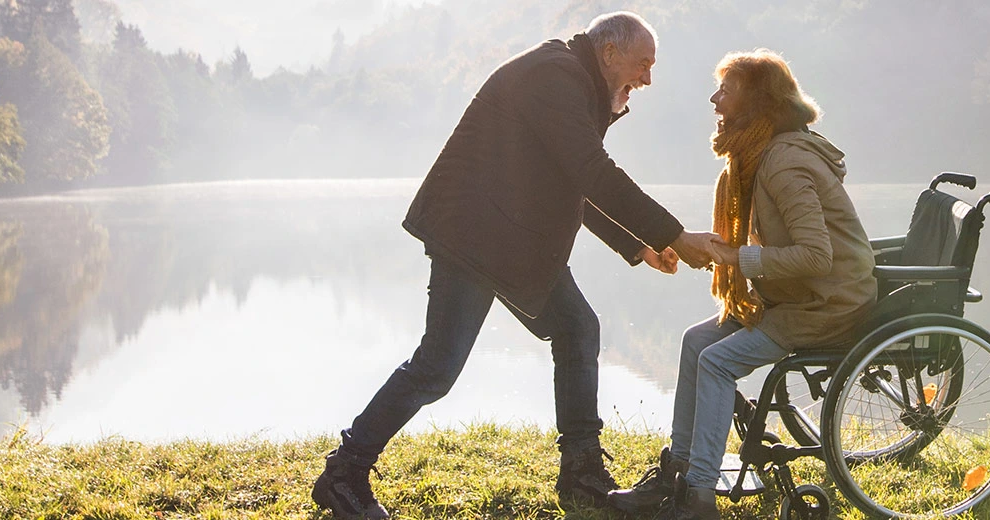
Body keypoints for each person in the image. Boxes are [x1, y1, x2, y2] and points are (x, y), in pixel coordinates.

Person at [309, 12, 731, 520]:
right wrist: (675, 236)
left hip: (512, 238)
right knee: (437, 367)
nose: (647, 79)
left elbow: (571, 177)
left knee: (577, 328)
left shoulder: (573, 78)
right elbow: (592, 171)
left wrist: (639, 245)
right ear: (609, 53)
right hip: (474, 235)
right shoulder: (555, 76)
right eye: (643, 64)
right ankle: (344, 473)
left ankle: (581, 474)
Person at [606, 49, 876, 520]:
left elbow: (816, 256)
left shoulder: (785, 163)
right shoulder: (762, 154)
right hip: (793, 296)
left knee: (716, 362)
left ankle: (698, 497)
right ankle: (679, 472)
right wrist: (709, 250)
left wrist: (737, 258)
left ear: (756, 103)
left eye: (725, 92)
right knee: (697, 342)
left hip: (825, 304)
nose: (714, 100)